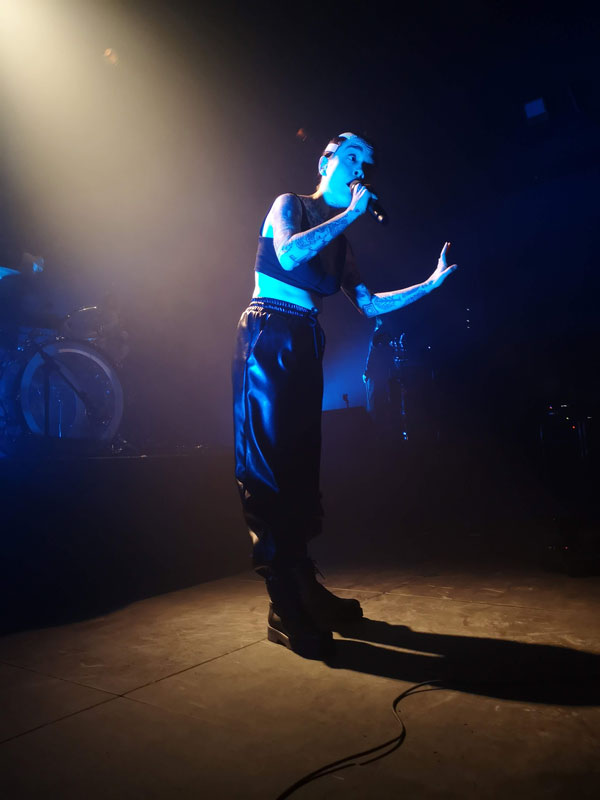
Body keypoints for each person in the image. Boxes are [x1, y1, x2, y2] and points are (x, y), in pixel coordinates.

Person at [232, 132, 457, 658]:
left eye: (367, 164)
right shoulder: (291, 204)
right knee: (267, 465)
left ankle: (303, 585)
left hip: (307, 339)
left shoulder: (342, 243)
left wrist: (429, 285)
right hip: (268, 332)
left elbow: (369, 304)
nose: (361, 168)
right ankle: (282, 602)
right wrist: (352, 214)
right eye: (352, 156)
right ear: (326, 161)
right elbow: (288, 254)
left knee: (299, 466)